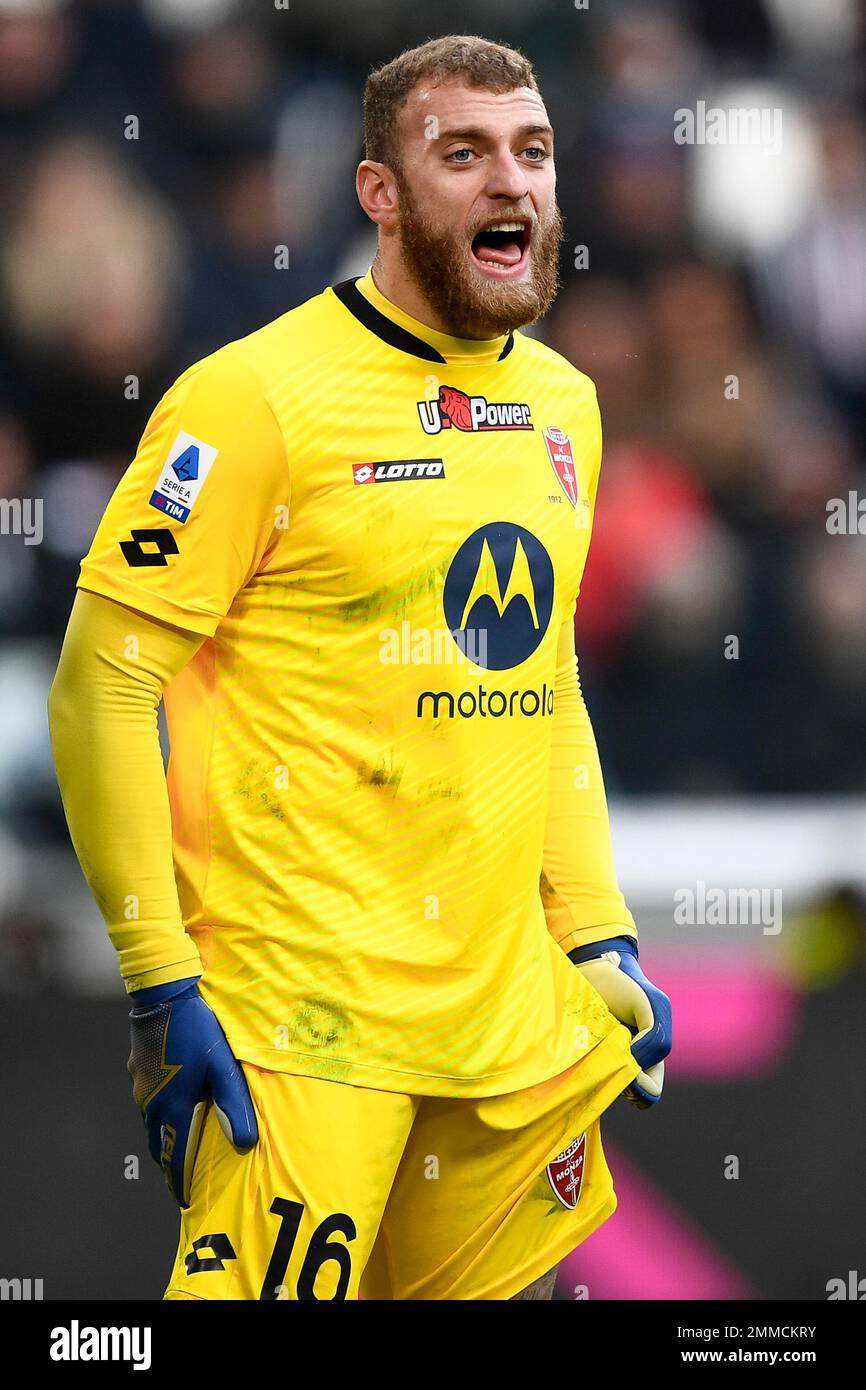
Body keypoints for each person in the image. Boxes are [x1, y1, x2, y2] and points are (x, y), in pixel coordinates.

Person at [48, 33, 671, 1302]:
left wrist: (597, 931)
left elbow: (537, 685)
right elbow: (101, 685)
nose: (512, 184)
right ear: (378, 194)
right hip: (296, 1029)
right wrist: (159, 980)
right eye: (464, 154)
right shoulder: (250, 403)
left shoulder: (564, 408)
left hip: (502, 1038)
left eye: (532, 153)